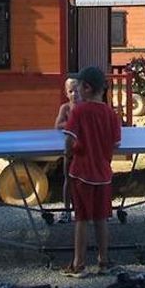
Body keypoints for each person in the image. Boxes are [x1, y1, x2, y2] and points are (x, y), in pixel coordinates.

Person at [60, 66, 121, 278]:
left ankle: (79, 265)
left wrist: (68, 154)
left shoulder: (78, 111)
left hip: (81, 174)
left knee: (82, 219)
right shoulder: (111, 114)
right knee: (101, 219)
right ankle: (104, 262)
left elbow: (69, 139)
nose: (76, 91)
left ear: (86, 87)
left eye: (78, 87)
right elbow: (116, 144)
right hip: (103, 175)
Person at [54, 78, 79, 223]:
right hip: (69, 150)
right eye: (71, 91)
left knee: (85, 181)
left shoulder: (86, 107)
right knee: (68, 180)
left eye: (77, 91)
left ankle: (87, 211)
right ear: (66, 93)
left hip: (84, 151)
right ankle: (67, 211)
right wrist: (73, 124)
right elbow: (57, 125)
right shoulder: (65, 108)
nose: (74, 94)